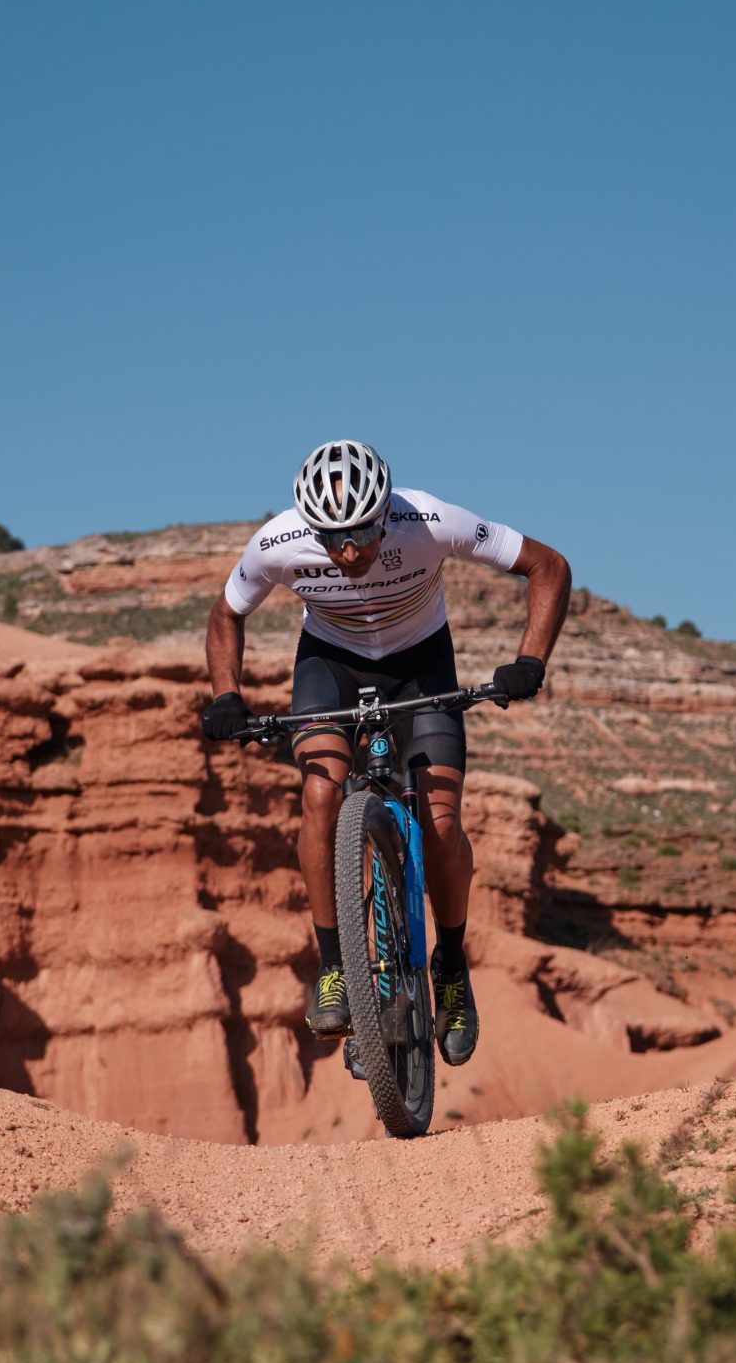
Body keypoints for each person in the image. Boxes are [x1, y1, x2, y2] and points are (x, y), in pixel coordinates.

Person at [200, 440, 571, 1064]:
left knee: (441, 819)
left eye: (361, 536)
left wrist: (530, 660)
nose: (347, 553)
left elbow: (549, 566)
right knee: (320, 792)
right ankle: (335, 966)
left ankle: (450, 966)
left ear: (384, 516)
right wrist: (226, 695)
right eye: (331, 538)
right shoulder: (277, 542)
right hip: (331, 663)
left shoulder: (428, 520)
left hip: (421, 664)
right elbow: (224, 616)